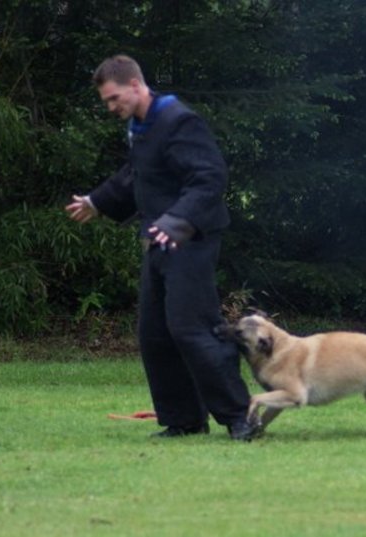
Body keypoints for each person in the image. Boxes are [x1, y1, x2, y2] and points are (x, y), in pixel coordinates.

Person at [65, 54, 260, 441]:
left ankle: (241, 416)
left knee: (193, 328)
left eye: (114, 98)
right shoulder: (141, 126)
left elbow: (209, 177)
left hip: (190, 239)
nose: (111, 107)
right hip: (159, 239)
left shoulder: (178, 120)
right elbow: (138, 175)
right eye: (106, 101)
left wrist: (177, 221)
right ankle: (184, 420)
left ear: (136, 85)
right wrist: (97, 201)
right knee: (154, 333)